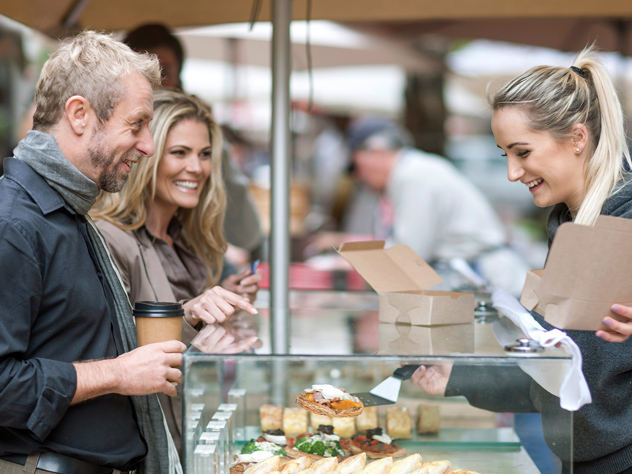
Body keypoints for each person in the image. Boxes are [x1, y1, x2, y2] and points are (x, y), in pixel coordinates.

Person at [412, 45, 632, 474]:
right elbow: (561, 374)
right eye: (505, 155)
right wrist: (456, 377)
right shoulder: (572, 227)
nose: (513, 173)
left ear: (577, 138)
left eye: (523, 152)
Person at [0, 31, 183, 474]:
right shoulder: (14, 224)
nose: (147, 146)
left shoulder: (69, 211)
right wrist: (118, 374)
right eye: (136, 124)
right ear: (79, 114)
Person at [91, 88, 260, 459]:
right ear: (147, 156)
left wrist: (221, 298)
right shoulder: (109, 237)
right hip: (150, 445)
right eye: (179, 153)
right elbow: (117, 352)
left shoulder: (191, 238)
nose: (196, 168)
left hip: (196, 431)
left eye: (204, 155)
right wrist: (192, 312)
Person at [312, 116, 530, 296]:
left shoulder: (413, 177)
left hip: (492, 283)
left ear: (376, 152)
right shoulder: (410, 173)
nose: (359, 176)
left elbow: (408, 257)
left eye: (357, 166)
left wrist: (344, 263)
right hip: (481, 281)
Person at [123, 23, 265, 264]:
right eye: (141, 73)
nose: (153, 83)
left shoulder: (198, 129)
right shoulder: (109, 142)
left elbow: (246, 234)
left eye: (163, 71)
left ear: (180, 80)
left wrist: (209, 141)